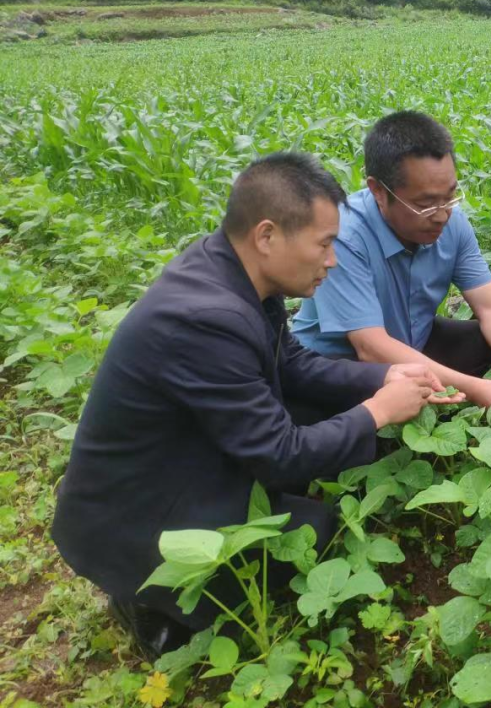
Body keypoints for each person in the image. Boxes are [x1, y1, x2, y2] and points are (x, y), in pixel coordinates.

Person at [52, 152, 455, 657]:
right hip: (133, 510)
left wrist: (385, 375)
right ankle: (144, 598)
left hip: (183, 456)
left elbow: (291, 367)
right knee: (314, 532)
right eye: (324, 244)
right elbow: (279, 453)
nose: (332, 259)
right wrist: (378, 410)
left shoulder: (235, 271)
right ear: (267, 236)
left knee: (322, 454)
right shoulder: (206, 317)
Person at [293, 111, 491, 407]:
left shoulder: (454, 222)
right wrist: (476, 388)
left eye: (450, 196)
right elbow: (371, 347)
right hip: (342, 363)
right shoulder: (343, 235)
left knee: (489, 345)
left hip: (412, 342)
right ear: (378, 190)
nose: (441, 215)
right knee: (360, 416)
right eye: (425, 204)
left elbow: (490, 307)